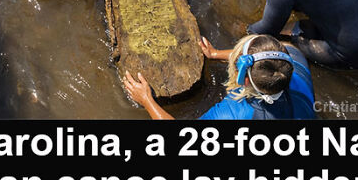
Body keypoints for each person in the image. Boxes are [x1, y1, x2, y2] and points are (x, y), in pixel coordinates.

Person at [123, 33, 317, 120]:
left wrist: (147, 99)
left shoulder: (235, 112)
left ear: (245, 80)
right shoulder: (293, 61)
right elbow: (263, 58)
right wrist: (216, 54)